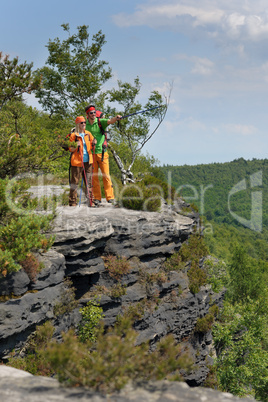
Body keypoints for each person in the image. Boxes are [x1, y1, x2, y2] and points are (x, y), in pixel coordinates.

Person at [85, 105, 121, 206]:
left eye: (94, 112)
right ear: (87, 115)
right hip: (91, 154)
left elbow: (110, 121)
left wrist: (116, 118)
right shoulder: (85, 124)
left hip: (102, 153)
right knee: (94, 177)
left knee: (106, 175)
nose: (93, 114)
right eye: (91, 113)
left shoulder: (100, 122)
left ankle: (110, 197)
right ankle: (97, 198)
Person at [68, 116, 95, 207]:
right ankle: (72, 202)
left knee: (89, 182)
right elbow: (70, 149)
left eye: (84, 122)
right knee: (75, 182)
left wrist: (94, 142)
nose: (84, 124)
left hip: (88, 161)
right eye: (81, 123)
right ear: (77, 124)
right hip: (77, 162)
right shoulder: (73, 135)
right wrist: (75, 145)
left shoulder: (88, 134)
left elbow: (91, 145)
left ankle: (91, 201)